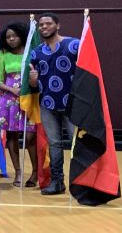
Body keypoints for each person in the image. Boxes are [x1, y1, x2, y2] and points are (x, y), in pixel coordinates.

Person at [28, 12, 80, 195]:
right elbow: (34, 84)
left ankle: (82, 182)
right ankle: (57, 182)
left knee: (78, 143)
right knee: (55, 144)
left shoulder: (74, 44)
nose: (44, 27)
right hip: (47, 104)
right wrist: (33, 80)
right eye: (41, 25)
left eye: (48, 24)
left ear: (57, 25)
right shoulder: (36, 52)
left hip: (73, 104)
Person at [0, 22, 37, 187]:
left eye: (14, 36)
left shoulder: (30, 52)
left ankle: (34, 172)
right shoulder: (2, 54)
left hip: (29, 96)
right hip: (9, 99)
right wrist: (11, 89)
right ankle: (18, 171)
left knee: (31, 136)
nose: (11, 39)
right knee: (11, 135)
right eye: (8, 37)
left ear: (22, 35)